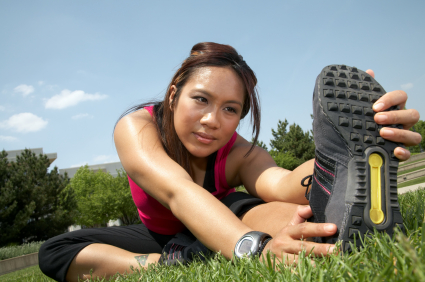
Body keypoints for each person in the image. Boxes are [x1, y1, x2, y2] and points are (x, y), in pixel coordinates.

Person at [39, 42, 421, 282]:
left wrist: (345, 148)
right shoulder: (137, 125)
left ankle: (324, 227)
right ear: (174, 95)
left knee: (252, 205)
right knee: (55, 251)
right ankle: (171, 265)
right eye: (200, 100)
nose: (212, 121)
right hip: (161, 235)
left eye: (230, 109)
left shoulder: (239, 151)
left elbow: (284, 183)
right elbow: (178, 192)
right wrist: (253, 249)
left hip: (227, 217)